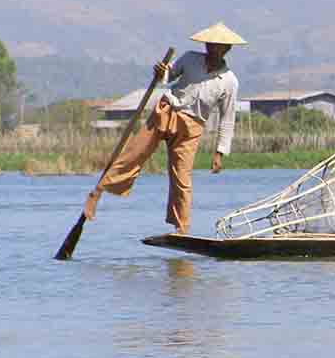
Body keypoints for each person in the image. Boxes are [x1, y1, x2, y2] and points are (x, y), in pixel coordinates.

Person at [83, 22, 245, 234]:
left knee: (182, 178)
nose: (211, 48)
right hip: (166, 111)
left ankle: (181, 228)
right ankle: (97, 193)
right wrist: (161, 73)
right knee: (134, 153)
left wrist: (220, 152)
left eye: (216, 46)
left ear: (226, 49)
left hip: (192, 127)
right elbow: (168, 76)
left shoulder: (229, 81)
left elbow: (227, 119)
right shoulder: (190, 59)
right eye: (209, 44)